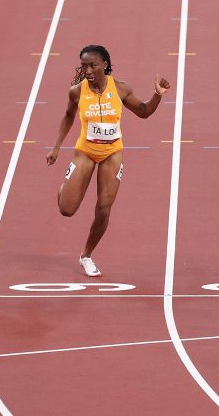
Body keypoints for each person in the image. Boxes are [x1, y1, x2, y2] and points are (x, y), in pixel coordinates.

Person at [46, 45, 170, 276]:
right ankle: (66, 187)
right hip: (85, 151)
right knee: (66, 210)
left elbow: (144, 112)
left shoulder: (120, 88)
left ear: (105, 64)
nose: (88, 70)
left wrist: (157, 96)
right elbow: (67, 117)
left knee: (103, 209)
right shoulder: (76, 91)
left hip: (112, 153)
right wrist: (56, 148)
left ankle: (86, 256)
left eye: (93, 65)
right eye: (84, 66)